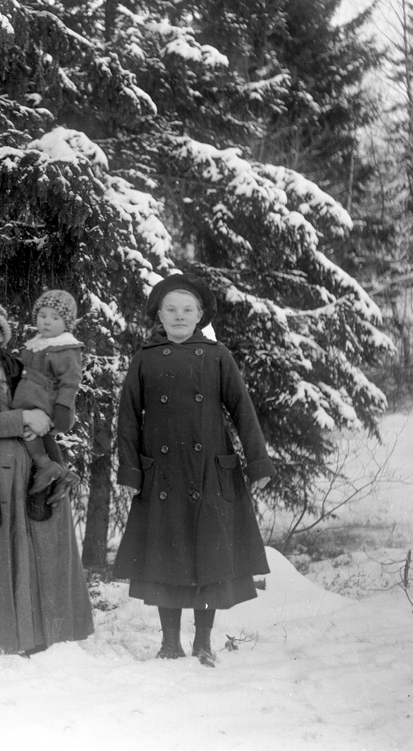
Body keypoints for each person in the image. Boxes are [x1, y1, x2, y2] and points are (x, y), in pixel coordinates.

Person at [113, 273, 275, 667]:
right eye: (171, 310)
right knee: (166, 556)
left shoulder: (218, 355)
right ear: (159, 315)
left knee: (209, 556)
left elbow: (242, 410)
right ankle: (170, 642)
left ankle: (203, 641)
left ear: (201, 315)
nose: (179, 316)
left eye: (187, 310)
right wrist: (131, 471)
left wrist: (258, 462)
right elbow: (128, 419)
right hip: (163, 473)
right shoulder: (145, 358)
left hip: (209, 471)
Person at [0, 299, 94, 656]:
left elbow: (57, 396)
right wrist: (24, 418)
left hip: (31, 468)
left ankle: (43, 636)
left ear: (2, 333)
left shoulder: (24, 366)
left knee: (36, 548)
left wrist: (49, 418)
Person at [10, 289, 84, 517]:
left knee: (27, 426)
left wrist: (63, 407)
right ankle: (62, 474)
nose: (47, 322)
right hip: (32, 398)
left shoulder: (65, 348)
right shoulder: (34, 344)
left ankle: (45, 466)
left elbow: (70, 381)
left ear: (66, 323)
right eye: (43, 316)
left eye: (55, 318)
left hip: (46, 402)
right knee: (41, 434)